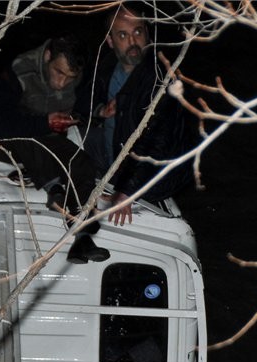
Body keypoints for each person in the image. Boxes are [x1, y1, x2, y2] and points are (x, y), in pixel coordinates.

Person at [0, 33, 110, 263]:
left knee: (82, 164)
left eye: (69, 77)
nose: (61, 83)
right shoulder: (19, 70)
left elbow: (82, 99)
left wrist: (98, 110)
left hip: (46, 137)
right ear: (48, 55)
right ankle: (54, 189)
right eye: (58, 72)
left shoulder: (78, 75)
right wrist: (44, 123)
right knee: (34, 141)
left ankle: (83, 237)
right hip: (0, 139)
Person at [79, 2, 193, 226]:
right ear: (110, 41)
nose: (132, 42)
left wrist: (125, 191)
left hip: (153, 172)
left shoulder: (160, 79)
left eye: (137, 32)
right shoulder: (108, 65)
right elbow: (82, 99)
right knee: (71, 136)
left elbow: (155, 141)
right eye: (122, 35)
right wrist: (100, 110)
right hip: (114, 152)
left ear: (148, 35)